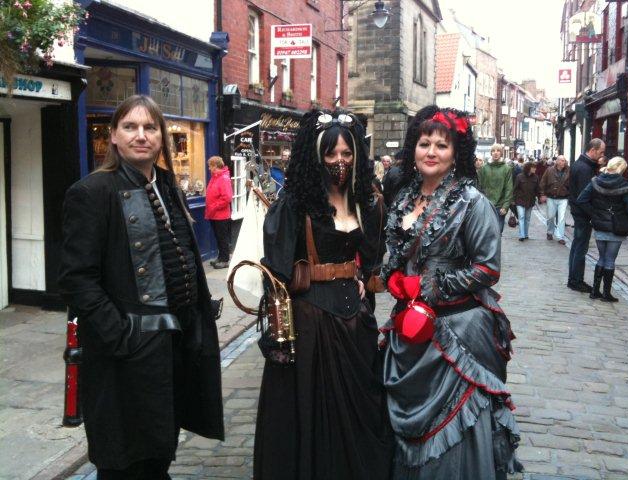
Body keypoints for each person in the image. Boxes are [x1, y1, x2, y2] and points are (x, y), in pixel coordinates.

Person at [58, 95, 224, 478]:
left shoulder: (168, 187)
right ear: (113, 136)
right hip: (125, 358)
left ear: (162, 137)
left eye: (150, 127)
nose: (141, 135)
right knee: (125, 461)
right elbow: (77, 279)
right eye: (130, 127)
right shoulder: (92, 193)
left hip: (172, 350)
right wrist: (121, 335)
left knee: (157, 453)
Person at [380, 105, 522, 479]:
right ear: (413, 148)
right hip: (408, 331)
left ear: (455, 153)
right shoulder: (403, 198)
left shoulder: (473, 203)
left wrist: (430, 287)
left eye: (441, 145)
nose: (431, 151)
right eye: (424, 143)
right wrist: (395, 277)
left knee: (456, 432)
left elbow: (488, 269)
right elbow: (393, 252)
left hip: (456, 332)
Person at [254, 110, 393, 479]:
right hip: (310, 323)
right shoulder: (296, 205)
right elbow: (276, 272)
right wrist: (279, 333)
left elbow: (375, 258)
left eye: (347, 153)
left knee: (360, 408)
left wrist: (363, 275)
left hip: (354, 323)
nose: (339, 161)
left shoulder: (368, 203)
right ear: (316, 156)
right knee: (311, 413)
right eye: (331, 154)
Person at [577, 157, 628, 302]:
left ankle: (595, 291)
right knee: (610, 260)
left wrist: (595, 214)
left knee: (601, 258)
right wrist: (627, 221)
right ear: (621, 169)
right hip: (616, 227)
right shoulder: (624, 185)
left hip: (600, 226)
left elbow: (581, 200)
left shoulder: (596, 181)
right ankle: (606, 294)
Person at [568, 138, 605, 292]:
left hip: (578, 212)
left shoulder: (581, 164)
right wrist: (593, 215)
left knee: (577, 246)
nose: (602, 155)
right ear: (593, 150)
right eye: (601, 152)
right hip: (582, 214)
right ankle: (576, 280)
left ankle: (573, 279)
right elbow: (583, 197)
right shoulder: (584, 169)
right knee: (580, 248)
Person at [478, 143, 514, 233]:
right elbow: (479, 187)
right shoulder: (484, 168)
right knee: (486, 232)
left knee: (498, 233)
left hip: (500, 207)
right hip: (486, 205)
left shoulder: (507, 169)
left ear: (501, 153)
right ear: (491, 153)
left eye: (498, 151)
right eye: (493, 151)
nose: (495, 153)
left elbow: (509, 188)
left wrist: (505, 206)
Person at [205, 156, 233, 269]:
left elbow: (227, 198)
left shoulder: (223, 178)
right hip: (214, 214)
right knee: (218, 237)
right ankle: (220, 257)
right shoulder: (215, 177)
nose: (208, 168)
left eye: (210, 166)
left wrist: (214, 207)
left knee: (222, 238)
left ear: (215, 166)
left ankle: (225, 260)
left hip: (221, 215)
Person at [540, 154, 570, 244]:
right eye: (561, 160)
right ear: (556, 161)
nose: (562, 162)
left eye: (564, 160)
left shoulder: (569, 171)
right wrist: (542, 194)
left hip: (563, 198)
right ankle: (550, 232)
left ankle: (560, 236)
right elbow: (543, 183)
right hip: (551, 197)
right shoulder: (549, 170)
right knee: (551, 216)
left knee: (561, 218)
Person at [514, 162, 540, 241]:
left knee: (527, 218)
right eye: (533, 167)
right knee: (521, 217)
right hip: (520, 200)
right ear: (528, 168)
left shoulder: (536, 177)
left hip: (530, 200)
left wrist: (539, 197)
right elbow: (515, 188)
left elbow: (537, 189)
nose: (535, 169)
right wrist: (513, 199)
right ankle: (521, 235)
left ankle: (526, 234)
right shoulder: (519, 177)